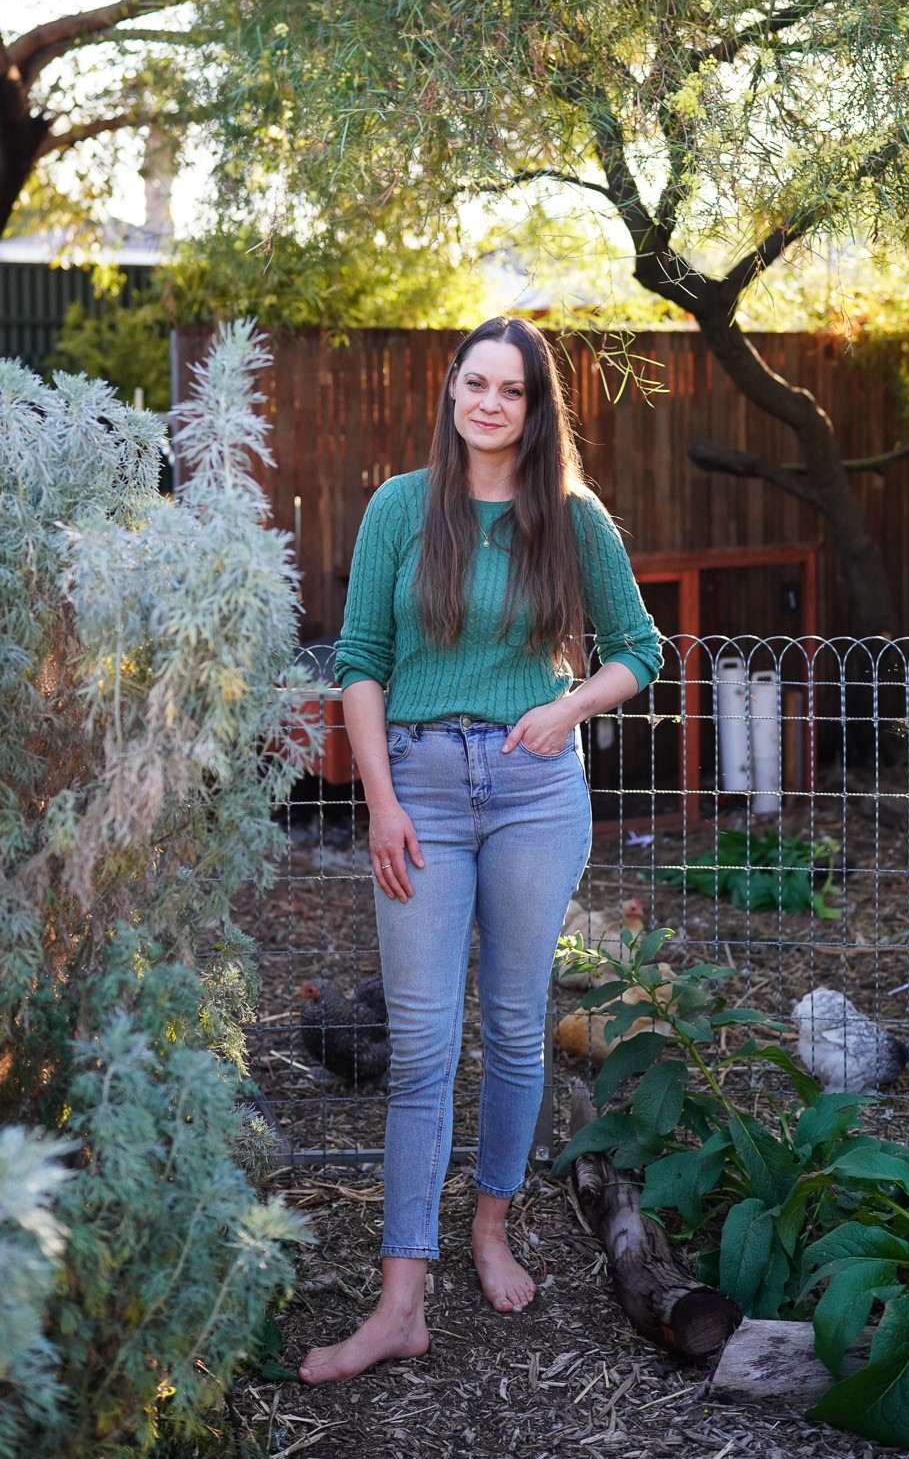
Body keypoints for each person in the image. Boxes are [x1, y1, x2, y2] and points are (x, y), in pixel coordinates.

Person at [298, 315, 664, 1385]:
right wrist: (378, 799)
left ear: (535, 407)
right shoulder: (400, 509)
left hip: (534, 792)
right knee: (419, 1047)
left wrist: (568, 709)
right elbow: (360, 659)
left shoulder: (572, 517)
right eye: (475, 384)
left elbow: (640, 650)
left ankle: (491, 1226)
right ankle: (399, 1300)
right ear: (450, 392)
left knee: (513, 1028)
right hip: (417, 788)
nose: (491, 403)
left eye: (511, 389)